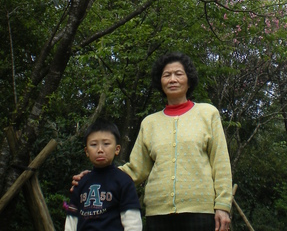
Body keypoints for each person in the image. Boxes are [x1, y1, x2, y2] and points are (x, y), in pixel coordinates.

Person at [73, 52, 232, 231]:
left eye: (178, 74)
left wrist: (223, 205)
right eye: (167, 75)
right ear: (160, 81)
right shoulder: (149, 122)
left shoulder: (207, 113)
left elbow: (221, 163)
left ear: (189, 80)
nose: (172, 79)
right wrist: (96, 177)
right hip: (158, 214)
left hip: (201, 211)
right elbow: (136, 169)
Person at [65, 119, 142, 231]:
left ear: (117, 149)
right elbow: (71, 220)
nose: (100, 150)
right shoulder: (81, 182)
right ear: (86, 151)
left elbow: (132, 221)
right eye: (94, 144)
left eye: (106, 144)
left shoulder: (124, 181)